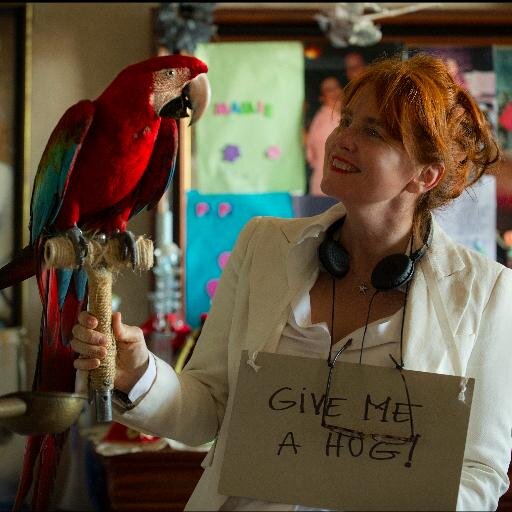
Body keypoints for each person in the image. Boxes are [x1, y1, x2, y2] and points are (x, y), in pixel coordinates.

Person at [72, 53, 512, 511]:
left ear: (425, 175)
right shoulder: (263, 244)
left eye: (374, 132)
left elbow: (480, 472)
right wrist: (139, 374)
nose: (342, 139)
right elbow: (208, 408)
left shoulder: (487, 292)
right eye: (347, 121)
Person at [305, 76, 343, 196]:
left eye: (335, 88)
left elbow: (310, 156)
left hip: (323, 186)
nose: (333, 92)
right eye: (328, 90)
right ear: (322, 97)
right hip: (331, 189)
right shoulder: (329, 120)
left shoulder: (319, 118)